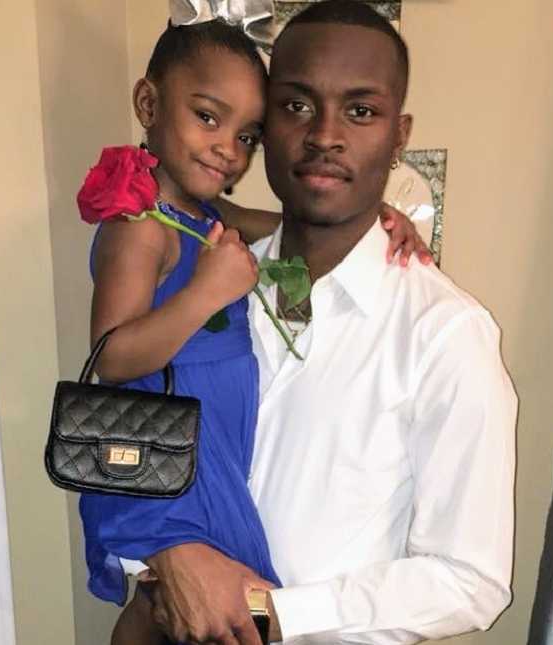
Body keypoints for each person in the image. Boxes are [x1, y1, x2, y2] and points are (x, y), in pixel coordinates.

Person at [142, 2, 518, 644]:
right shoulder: (200, 281)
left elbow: (471, 578)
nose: (324, 135)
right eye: (296, 105)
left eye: (361, 111)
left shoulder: (444, 333)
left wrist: (271, 613)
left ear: (399, 136)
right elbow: (131, 431)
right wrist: (166, 553)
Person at [77, 14, 430, 645]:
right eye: (208, 118)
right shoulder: (139, 227)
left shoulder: (205, 212)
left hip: (214, 446)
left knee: (202, 608)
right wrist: (206, 293)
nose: (227, 150)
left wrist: (375, 213)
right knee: (206, 608)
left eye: (247, 136)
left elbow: (283, 221)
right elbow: (114, 357)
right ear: (148, 102)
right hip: (181, 441)